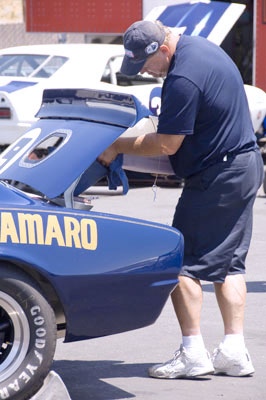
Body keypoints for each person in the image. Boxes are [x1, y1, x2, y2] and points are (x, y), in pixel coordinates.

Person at [98, 20, 264, 378]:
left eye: (145, 64)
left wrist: (115, 146)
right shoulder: (203, 50)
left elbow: (167, 143)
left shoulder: (182, 77)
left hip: (217, 176)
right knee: (229, 264)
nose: (145, 72)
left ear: (162, 50)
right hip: (242, 167)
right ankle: (234, 351)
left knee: (182, 263)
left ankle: (193, 353)